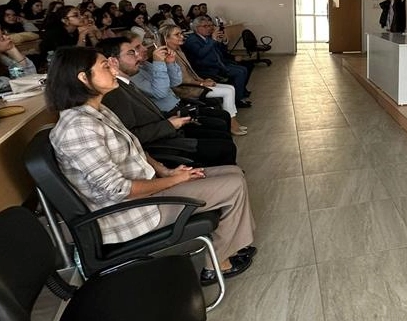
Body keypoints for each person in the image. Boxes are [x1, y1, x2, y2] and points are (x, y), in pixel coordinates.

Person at [45, 46, 256, 284]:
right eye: (105, 66)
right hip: (132, 211)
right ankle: (219, 264)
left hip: (147, 190)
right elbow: (118, 190)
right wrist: (174, 181)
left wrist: (165, 171)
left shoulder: (97, 111)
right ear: (83, 78)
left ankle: (232, 244)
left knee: (233, 172)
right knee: (233, 185)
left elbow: (135, 147)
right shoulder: (78, 128)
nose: (114, 69)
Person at [97, 37, 237, 167]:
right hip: (163, 144)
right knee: (225, 146)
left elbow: (173, 84)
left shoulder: (126, 83)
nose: (139, 55)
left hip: (169, 125)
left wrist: (173, 118)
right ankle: (228, 177)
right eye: (131, 52)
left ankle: (229, 174)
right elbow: (132, 135)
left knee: (222, 133)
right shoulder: (113, 93)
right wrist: (170, 124)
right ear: (113, 61)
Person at [160, 24, 248, 136]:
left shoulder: (178, 51)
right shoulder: (167, 55)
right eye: (177, 35)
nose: (181, 36)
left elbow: (191, 73)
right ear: (166, 38)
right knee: (227, 92)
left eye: (181, 33)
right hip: (186, 89)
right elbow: (180, 80)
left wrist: (203, 80)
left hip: (195, 83)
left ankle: (232, 121)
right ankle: (232, 124)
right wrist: (202, 83)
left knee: (230, 88)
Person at [183, 16, 252, 106]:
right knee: (240, 72)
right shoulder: (192, 40)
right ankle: (238, 99)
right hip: (207, 68)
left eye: (209, 26)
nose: (208, 28)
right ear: (196, 28)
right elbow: (200, 54)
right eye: (205, 26)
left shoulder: (207, 37)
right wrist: (213, 40)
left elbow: (221, 51)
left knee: (244, 69)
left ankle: (239, 93)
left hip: (219, 63)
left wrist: (223, 41)